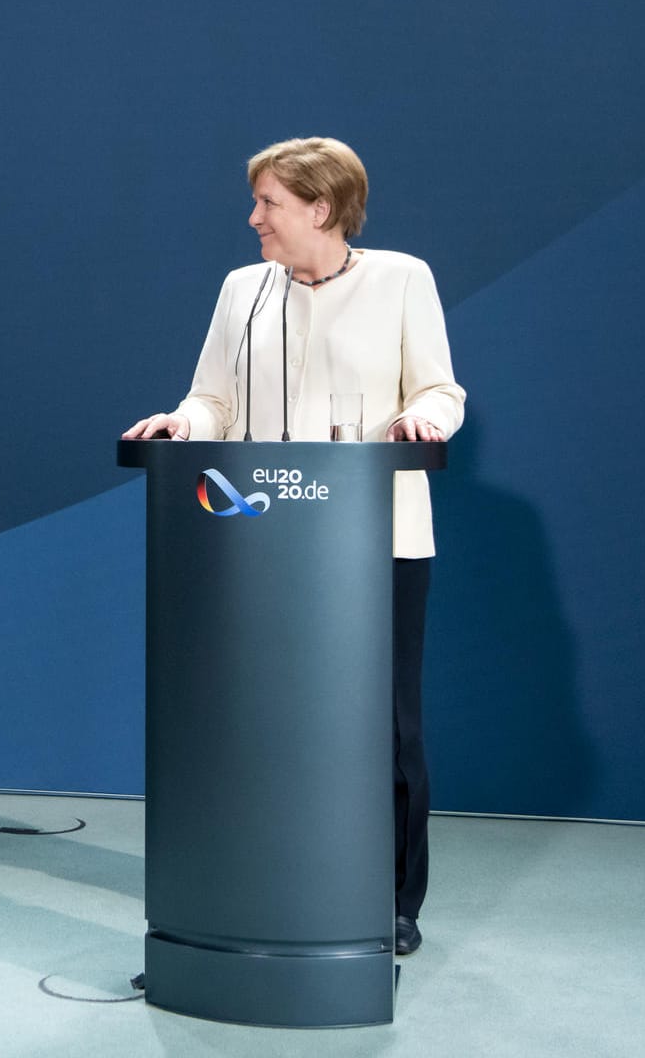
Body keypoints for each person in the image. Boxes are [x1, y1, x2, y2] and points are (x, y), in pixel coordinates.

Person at [123, 137, 464, 954]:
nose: (254, 220)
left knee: (385, 727)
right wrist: (183, 424)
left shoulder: (402, 279)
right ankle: (257, 882)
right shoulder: (245, 290)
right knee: (256, 719)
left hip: (376, 544)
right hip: (256, 544)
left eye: (270, 203)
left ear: (321, 208)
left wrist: (425, 421)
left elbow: (439, 388)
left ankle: (391, 904)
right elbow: (213, 398)